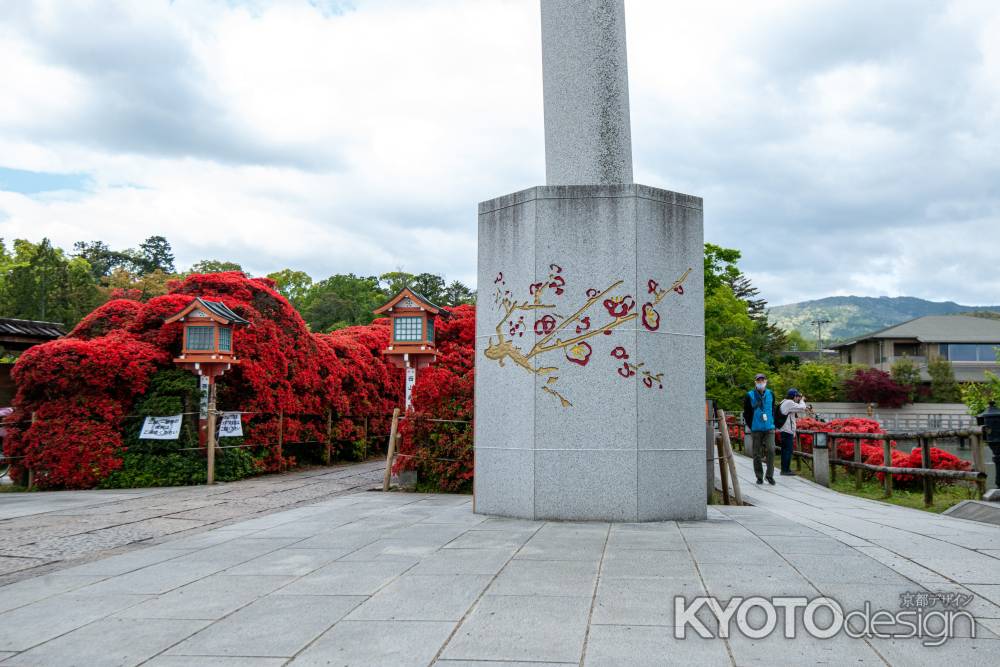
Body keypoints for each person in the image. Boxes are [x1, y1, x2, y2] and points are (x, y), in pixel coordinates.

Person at [742, 373, 775, 485]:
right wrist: (752, 426)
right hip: (756, 428)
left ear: (766, 381)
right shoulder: (750, 395)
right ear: (755, 382)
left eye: (762, 380)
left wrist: (772, 421)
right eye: (758, 380)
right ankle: (759, 476)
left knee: (771, 450)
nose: (761, 382)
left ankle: (769, 476)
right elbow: (746, 413)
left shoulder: (771, 394)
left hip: (769, 427)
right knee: (756, 453)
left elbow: (773, 409)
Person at [777, 389, 811, 476]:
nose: (797, 399)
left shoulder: (784, 402)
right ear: (794, 396)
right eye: (797, 397)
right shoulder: (789, 402)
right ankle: (785, 470)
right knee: (788, 451)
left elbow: (797, 409)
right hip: (787, 430)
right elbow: (801, 407)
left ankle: (785, 469)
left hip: (785, 430)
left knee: (785, 450)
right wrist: (802, 400)